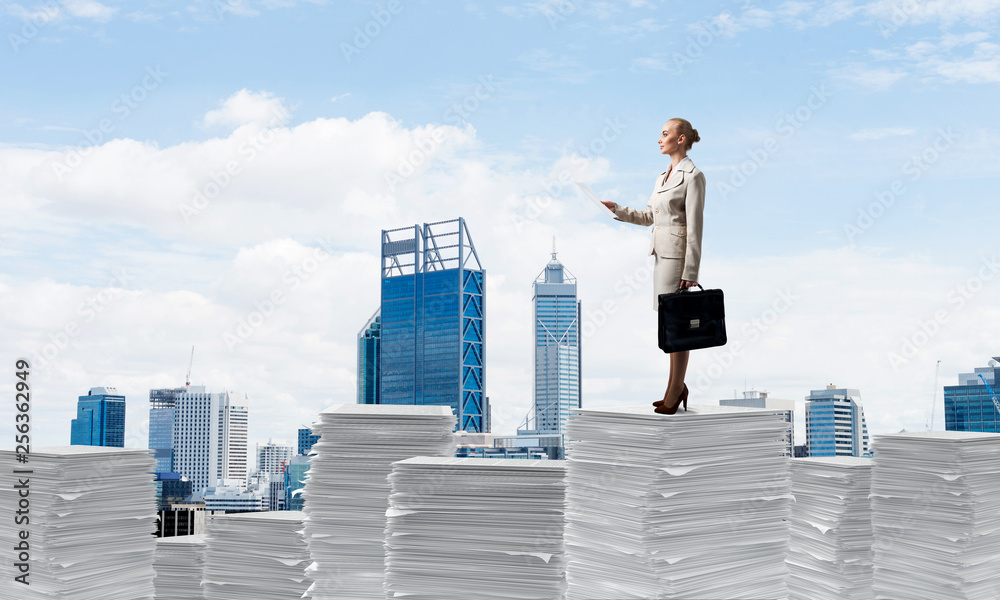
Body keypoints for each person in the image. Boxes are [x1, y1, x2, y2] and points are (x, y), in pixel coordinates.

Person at [601, 118, 705, 415]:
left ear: (681, 139)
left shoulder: (693, 176)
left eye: (664, 134)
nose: (659, 139)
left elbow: (696, 227)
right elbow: (650, 216)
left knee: (677, 325)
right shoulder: (662, 176)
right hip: (661, 256)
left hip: (678, 259)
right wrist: (617, 210)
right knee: (670, 324)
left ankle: (675, 390)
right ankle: (675, 386)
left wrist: (691, 271)